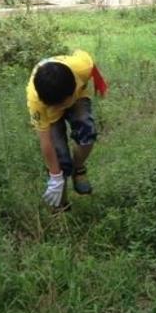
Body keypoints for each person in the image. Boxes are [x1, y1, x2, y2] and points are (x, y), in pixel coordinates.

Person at [26, 49, 107, 207]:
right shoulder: (36, 101)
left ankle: (79, 169)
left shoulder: (81, 67)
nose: (61, 108)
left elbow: (86, 58)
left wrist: (99, 81)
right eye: (58, 106)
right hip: (48, 106)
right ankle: (61, 208)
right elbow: (46, 141)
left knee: (87, 131)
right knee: (60, 158)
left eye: (63, 105)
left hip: (75, 94)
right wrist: (55, 176)